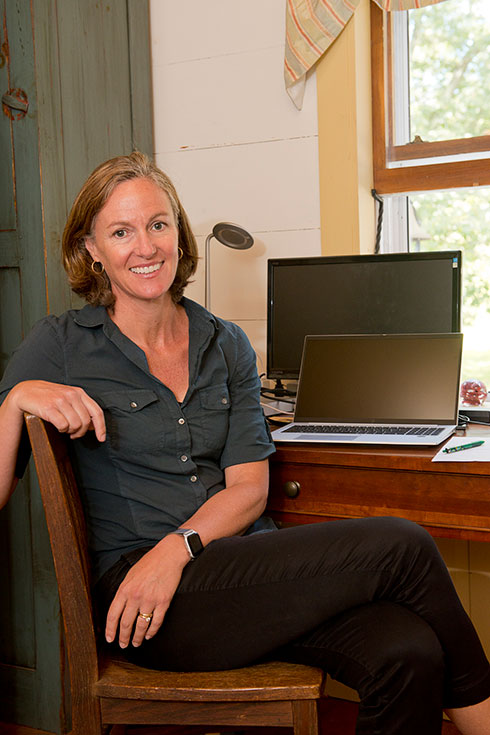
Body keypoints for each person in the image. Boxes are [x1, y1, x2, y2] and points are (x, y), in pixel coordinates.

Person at [0, 152, 489, 735]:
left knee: (408, 652)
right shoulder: (59, 344)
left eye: (158, 224)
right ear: (92, 250)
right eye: (121, 231)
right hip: (149, 605)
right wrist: (15, 401)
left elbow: (251, 489)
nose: (145, 246)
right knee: (403, 544)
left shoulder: (225, 342)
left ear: (178, 234)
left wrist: (173, 551)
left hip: (228, 573)